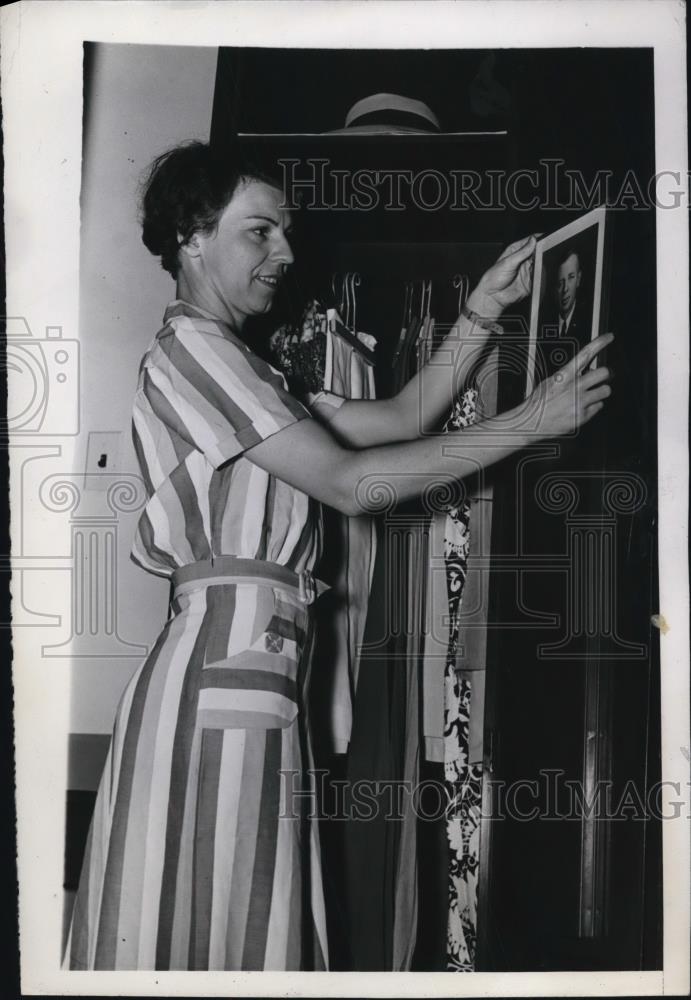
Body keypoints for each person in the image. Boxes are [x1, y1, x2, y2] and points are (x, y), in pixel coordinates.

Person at [64, 141, 613, 971]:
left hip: (253, 669)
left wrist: (482, 312)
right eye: (260, 233)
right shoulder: (192, 353)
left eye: (285, 231)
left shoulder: (250, 369)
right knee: (222, 932)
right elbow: (354, 485)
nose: (285, 252)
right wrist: (527, 424)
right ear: (192, 238)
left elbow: (396, 417)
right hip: (223, 669)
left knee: (241, 926)